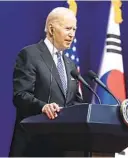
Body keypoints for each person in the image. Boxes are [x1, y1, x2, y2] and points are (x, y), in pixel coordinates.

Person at [9, 7, 83, 157]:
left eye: (74, 29)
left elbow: (75, 102)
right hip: (32, 146)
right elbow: (20, 95)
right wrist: (43, 107)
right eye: (68, 28)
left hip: (63, 148)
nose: (72, 34)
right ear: (51, 29)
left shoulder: (70, 65)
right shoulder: (30, 55)